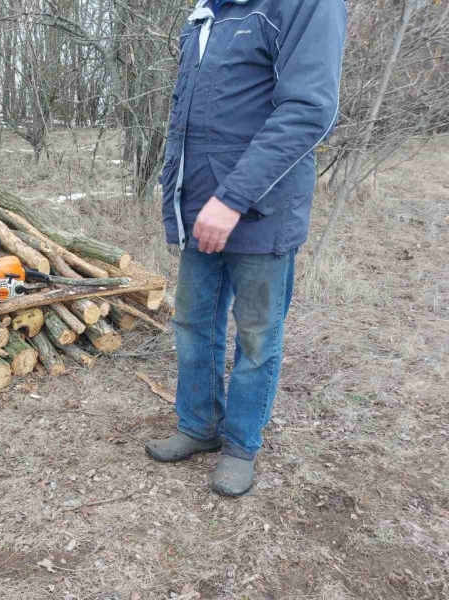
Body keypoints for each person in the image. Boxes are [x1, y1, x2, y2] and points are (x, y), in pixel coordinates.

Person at [145, 0, 347, 496]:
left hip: (261, 212)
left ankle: (241, 444)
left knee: (256, 338)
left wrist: (233, 198)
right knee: (193, 324)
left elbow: (308, 108)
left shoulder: (304, 5)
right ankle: (198, 426)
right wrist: (180, 198)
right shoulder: (208, 14)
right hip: (199, 210)